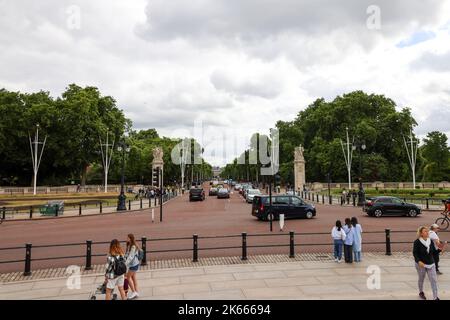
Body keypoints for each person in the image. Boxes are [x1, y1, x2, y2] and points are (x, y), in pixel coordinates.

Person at [413, 226, 439, 300]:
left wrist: (440, 249)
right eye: (425, 231)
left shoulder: (430, 241)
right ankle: (421, 292)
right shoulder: (417, 242)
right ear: (421, 233)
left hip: (431, 263)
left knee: (433, 280)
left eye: (427, 231)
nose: (427, 232)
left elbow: (434, 252)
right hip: (421, 264)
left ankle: (435, 297)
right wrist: (418, 261)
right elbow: (415, 253)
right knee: (421, 278)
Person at [125, 234, 141, 299]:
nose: (126, 239)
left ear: (130, 238)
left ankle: (134, 292)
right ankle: (136, 292)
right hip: (134, 264)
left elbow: (131, 256)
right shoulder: (129, 245)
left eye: (127, 238)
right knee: (134, 278)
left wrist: (125, 264)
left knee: (127, 277)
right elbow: (127, 254)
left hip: (133, 264)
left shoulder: (133, 246)